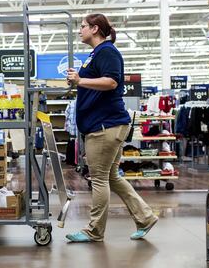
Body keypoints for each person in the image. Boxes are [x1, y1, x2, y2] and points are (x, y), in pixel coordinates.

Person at [64, 13, 158, 243]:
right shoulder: (96, 53)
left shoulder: (107, 51)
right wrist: (78, 82)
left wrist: (80, 81)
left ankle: (94, 230)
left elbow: (111, 82)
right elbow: (96, 84)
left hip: (105, 126)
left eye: (83, 26)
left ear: (95, 28)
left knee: (98, 178)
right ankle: (145, 217)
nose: (79, 30)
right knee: (112, 177)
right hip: (105, 124)